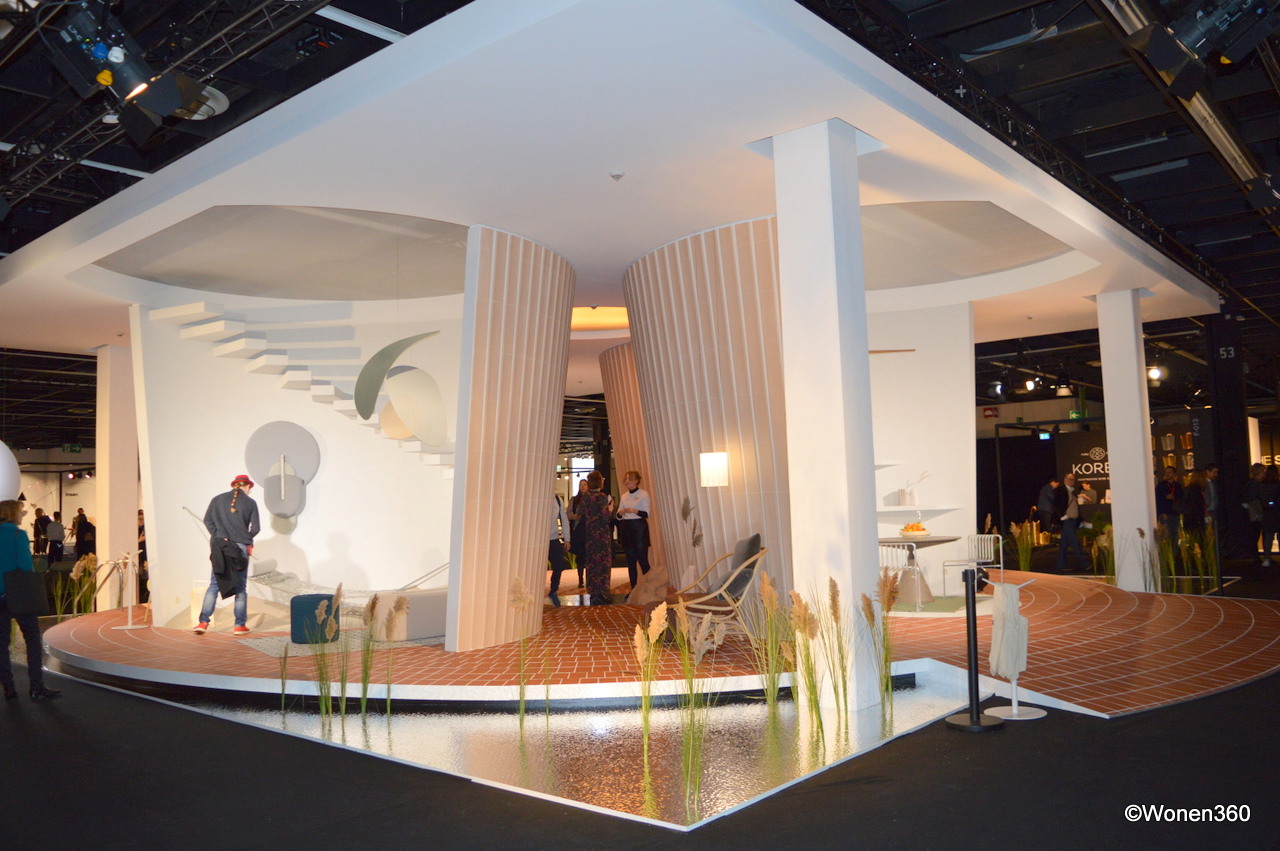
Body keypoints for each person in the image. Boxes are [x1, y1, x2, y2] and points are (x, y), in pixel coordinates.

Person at [0, 499, 62, 700]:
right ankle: (36, 686)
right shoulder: (18, 535)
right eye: (20, 511)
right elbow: (25, 565)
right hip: (19, 594)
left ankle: (8, 687)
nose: (22, 514)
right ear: (12, 514)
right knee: (32, 639)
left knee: (1, 643)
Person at [194, 474, 260, 634]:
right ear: (247, 486)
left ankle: (203, 623)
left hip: (220, 546)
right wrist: (245, 538)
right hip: (240, 547)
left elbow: (207, 520)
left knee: (214, 584)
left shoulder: (217, 499)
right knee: (240, 587)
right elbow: (256, 528)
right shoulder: (250, 503)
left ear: (234, 485)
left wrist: (218, 535)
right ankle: (239, 625)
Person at [580, 471, 614, 605]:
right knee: (603, 563)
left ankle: (593, 592)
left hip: (590, 534)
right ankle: (601, 593)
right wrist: (610, 509)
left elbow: (581, 513)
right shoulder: (602, 497)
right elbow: (605, 517)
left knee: (592, 563)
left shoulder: (585, 497)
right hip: (602, 535)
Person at [615, 470, 651, 591]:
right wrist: (620, 513)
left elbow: (646, 514)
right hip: (627, 528)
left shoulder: (643, 494)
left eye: (630, 479)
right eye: (626, 479)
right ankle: (633, 590)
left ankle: (648, 589)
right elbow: (618, 516)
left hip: (639, 528)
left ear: (636, 481)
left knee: (643, 561)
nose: (627, 481)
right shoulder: (624, 496)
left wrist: (634, 511)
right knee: (630, 562)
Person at [1054, 473, 1090, 573]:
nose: (1071, 481)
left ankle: (1060, 565)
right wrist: (1063, 516)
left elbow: (1075, 507)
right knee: (1075, 542)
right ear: (1065, 479)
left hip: (1072, 520)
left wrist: (1080, 519)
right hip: (1067, 520)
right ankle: (1084, 563)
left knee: (1064, 544)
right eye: (1070, 479)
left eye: (1073, 479)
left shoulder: (1072, 492)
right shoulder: (1060, 490)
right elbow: (1056, 504)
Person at [1252, 465, 1280, 568]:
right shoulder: (1278, 484)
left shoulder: (1262, 485)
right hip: (1277, 512)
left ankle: (1267, 558)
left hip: (1267, 513)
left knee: (1268, 536)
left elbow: (1259, 498)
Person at [546, 494, 571, 607]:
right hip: (538, 540)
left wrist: (567, 539)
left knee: (559, 565)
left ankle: (553, 590)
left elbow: (564, 520)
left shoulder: (557, 499)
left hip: (553, 538)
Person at [568, 479, 589, 589]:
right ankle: (580, 579)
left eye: (585, 485)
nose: (583, 487)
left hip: (590, 531)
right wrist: (576, 516)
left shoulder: (591, 498)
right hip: (578, 530)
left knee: (589, 557)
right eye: (581, 485)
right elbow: (568, 514)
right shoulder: (574, 499)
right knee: (580, 557)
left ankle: (589, 579)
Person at [1155, 466, 1184, 543]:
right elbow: (1157, 499)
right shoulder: (1161, 485)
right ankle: (1167, 550)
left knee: (1176, 535)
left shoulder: (1178, 486)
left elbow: (1181, 498)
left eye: (1170, 472)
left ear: (1174, 474)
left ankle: (1174, 550)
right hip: (1165, 514)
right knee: (1166, 535)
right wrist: (1162, 512)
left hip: (1175, 513)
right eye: (1166, 472)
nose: (1167, 474)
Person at [1181, 470, 1207, 537]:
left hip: (1191, 520)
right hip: (1194, 521)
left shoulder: (1191, 489)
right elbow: (1194, 507)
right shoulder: (1195, 490)